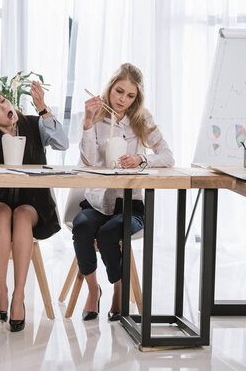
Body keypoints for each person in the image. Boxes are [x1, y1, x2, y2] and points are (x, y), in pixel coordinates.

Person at [0, 81, 68, 331]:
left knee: (20, 215)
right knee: (2, 212)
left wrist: (43, 108)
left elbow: (62, 143)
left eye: (2, 99)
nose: (4, 106)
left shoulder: (33, 123)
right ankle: (1, 290)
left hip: (34, 205)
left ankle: (18, 295)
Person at [73, 63, 174, 321]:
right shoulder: (95, 117)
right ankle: (93, 290)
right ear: (110, 87)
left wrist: (142, 159)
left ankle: (119, 289)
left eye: (131, 96)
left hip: (131, 206)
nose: (123, 100)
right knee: (82, 227)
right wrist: (86, 121)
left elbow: (168, 156)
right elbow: (87, 160)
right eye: (119, 91)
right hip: (97, 202)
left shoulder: (141, 119)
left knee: (108, 234)